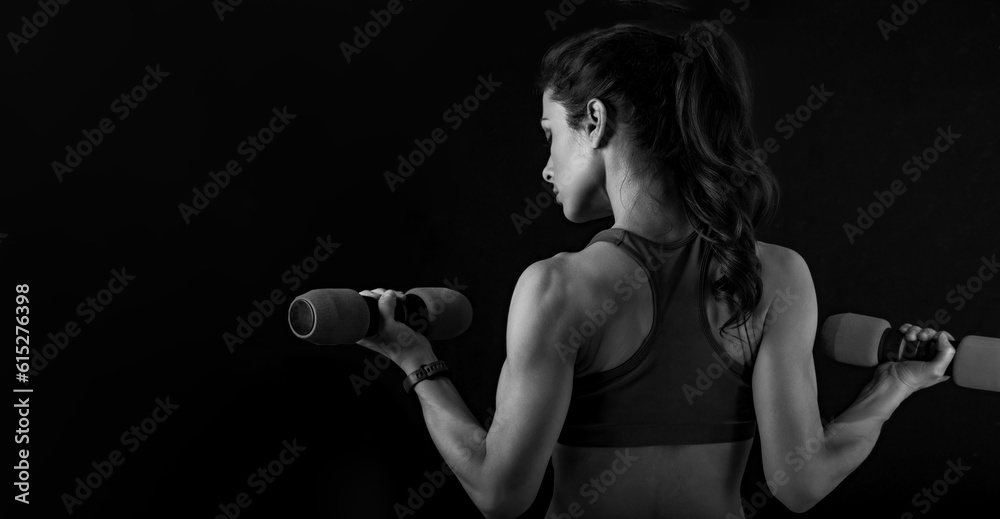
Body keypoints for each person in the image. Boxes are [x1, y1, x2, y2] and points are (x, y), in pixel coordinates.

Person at [356, 21, 957, 518]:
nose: (544, 168)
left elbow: (499, 493)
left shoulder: (556, 287)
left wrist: (414, 358)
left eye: (550, 135)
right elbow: (800, 484)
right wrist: (893, 387)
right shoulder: (777, 275)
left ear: (593, 121)